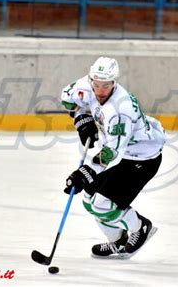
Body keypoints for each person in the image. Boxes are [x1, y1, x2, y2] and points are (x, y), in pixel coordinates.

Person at [60, 57, 166, 258]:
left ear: (114, 82)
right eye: (96, 84)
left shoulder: (119, 111)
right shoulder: (87, 84)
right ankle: (117, 241)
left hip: (141, 160)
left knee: (102, 205)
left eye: (106, 86)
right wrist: (82, 119)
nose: (100, 91)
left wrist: (85, 173)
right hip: (124, 154)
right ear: (91, 78)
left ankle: (140, 227)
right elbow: (67, 97)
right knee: (89, 199)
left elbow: (111, 152)